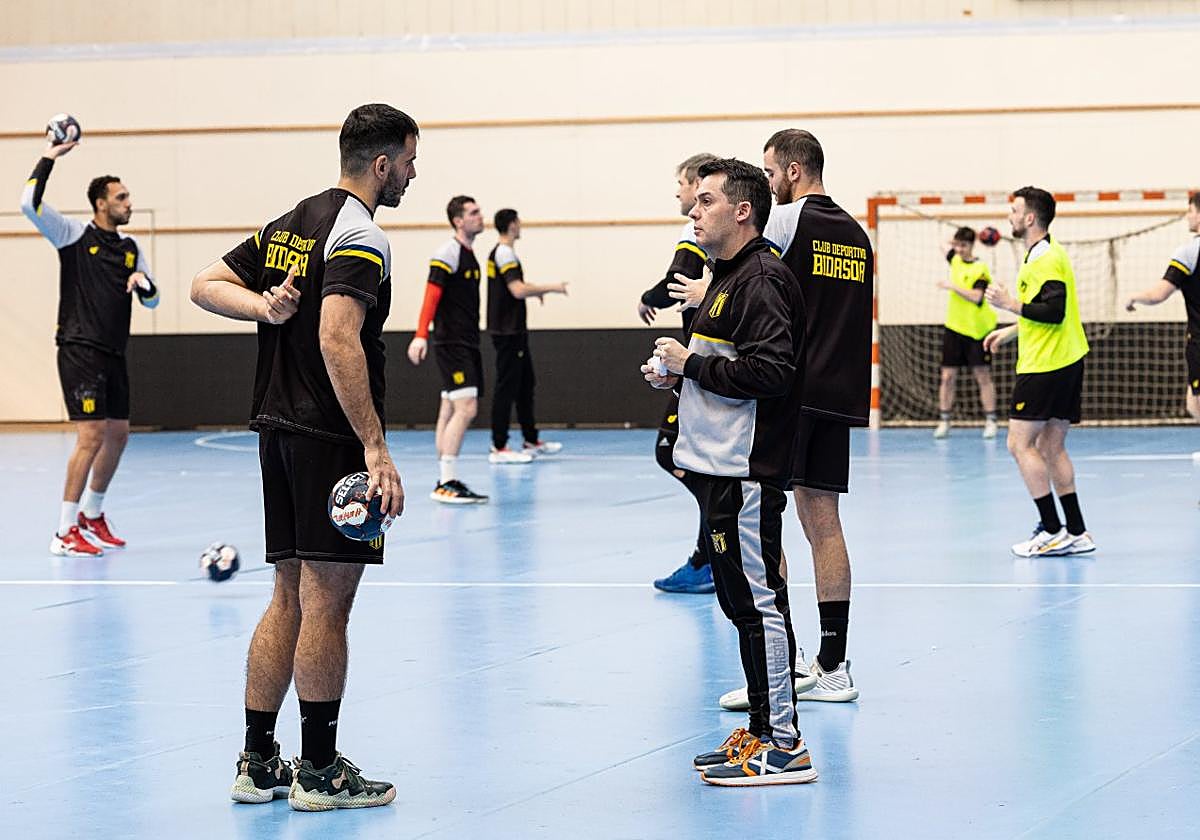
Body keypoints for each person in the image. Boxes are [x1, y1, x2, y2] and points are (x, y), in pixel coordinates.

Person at [191, 103, 414, 810]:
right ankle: (318, 770)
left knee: (287, 593)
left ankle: (259, 762)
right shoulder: (360, 234)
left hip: (277, 430)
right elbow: (338, 337)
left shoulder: (288, 225)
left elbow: (204, 284)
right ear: (382, 164)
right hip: (330, 437)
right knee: (328, 603)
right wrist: (374, 447)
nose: (413, 175)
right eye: (410, 162)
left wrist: (265, 307)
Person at [644, 157, 815, 786]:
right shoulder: (726, 276)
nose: (694, 210)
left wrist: (690, 365)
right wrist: (677, 375)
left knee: (760, 604)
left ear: (742, 210)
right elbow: (728, 363)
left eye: (706, 201)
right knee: (741, 604)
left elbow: (771, 373)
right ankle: (762, 729)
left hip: (746, 469)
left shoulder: (761, 279)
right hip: (718, 465)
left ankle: (785, 745)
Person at [690, 130, 870, 709]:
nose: (767, 185)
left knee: (763, 526)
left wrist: (706, 296)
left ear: (793, 172)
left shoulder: (788, 221)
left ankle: (782, 666)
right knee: (825, 526)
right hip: (839, 395)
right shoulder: (857, 234)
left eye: (769, 173)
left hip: (788, 395)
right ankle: (834, 667)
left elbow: (751, 277)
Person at [20, 128, 160, 558]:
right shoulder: (72, 235)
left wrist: (143, 283)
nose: (129, 203)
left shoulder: (131, 247)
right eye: (121, 197)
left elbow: (153, 299)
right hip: (80, 347)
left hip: (114, 352)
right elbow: (29, 204)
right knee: (92, 434)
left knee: (118, 434)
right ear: (101, 203)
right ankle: (64, 530)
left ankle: (92, 514)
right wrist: (50, 156)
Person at [983, 186, 1095, 557]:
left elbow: (1054, 311)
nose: (1010, 217)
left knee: (1019, 444)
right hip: (1065, 359)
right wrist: (1011, 331)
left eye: (1014, 211)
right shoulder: (1045, 253)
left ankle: (1051, 528)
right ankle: (1076, 531)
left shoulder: (1044, 259)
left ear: (1030, 218)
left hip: (1046, 366)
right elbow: (1044, 311)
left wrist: (1009, 304)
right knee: (1050, 445)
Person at [638, 152, 719, 594]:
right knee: (692, 459)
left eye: (682, 185)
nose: (679, 194)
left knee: (673, 452)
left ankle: (712, 554)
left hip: (700, 361)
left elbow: (676, 281)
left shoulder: (695, 231)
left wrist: (646, 297)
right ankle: (710, 554)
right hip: (700, 360)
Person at [407, 196, 490, 502]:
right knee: (467, 408)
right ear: (458, 221)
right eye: (473, 212)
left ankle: (444, 476)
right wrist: (420, 335)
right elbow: (431, 296)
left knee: (449, 408)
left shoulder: (468, 254)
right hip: (453, 344)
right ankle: (446, 482)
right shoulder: (448, 252)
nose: (480, 216)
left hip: (465, 341)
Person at [485, 208, 568, 463]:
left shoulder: (503, 253)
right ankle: (499, 446)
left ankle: (531, 440)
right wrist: (552, 288)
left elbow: (518, 287)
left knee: (525, 385)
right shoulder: (504, 253)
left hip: (515, 331)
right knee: (507, 387)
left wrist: (536, 291)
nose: (520, 225)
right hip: (507, 332)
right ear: (511, 225)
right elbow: (517, 290)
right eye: (518, 222)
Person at [1124, 192, 1200, 423]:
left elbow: (1159, 294)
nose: (1187, 216)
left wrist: (1134, 297)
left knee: (1196, 404)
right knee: (1192, 401)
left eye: (1190, 211)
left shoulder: (1189, 252)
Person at [934, 226, 999, 439]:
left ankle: (991, 420)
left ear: (972, 245)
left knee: (982, 376)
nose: (959, 249)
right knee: (947, 377)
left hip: (977, 331)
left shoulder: (980, 269)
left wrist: (952, 286)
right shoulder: (955, 259)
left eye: (963, 245)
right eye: (957, 245)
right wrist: (954, 239)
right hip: (954, 328)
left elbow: (976, 297)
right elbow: (941, 244)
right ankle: (944, 420)